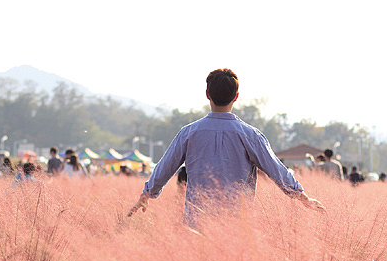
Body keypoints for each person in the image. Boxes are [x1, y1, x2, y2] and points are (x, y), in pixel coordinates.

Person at [128, 68, 324, 225]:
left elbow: (164, 168)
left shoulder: (188, 133)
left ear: (207, 95)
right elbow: (277, 171)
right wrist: (303, 198)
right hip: (238, 224)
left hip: (197, 222)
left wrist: (147, 195)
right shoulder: (250, 135)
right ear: (236, 96)